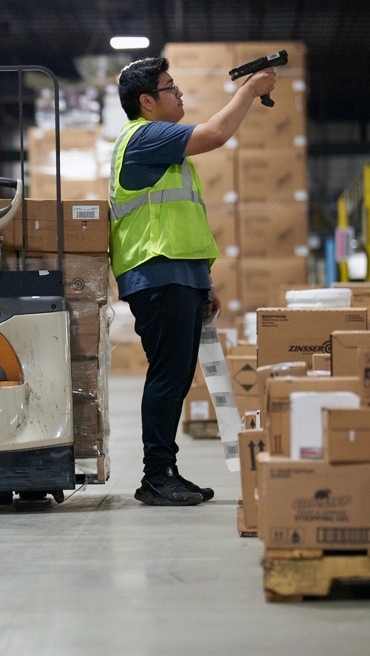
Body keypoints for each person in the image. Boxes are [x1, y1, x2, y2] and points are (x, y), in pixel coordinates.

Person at [110, 56, 277, 507]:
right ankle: (155, 477)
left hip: (175, 273)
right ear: (146, 102)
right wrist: (249, 89)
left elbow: (180, 222)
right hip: (156, 272)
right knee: (168, 376)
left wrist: (203, 283)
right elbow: (217, 134)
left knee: (177, 375)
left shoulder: (162, 147)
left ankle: (166, 472)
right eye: (170, 88)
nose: (179, 94)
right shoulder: (145, 136)